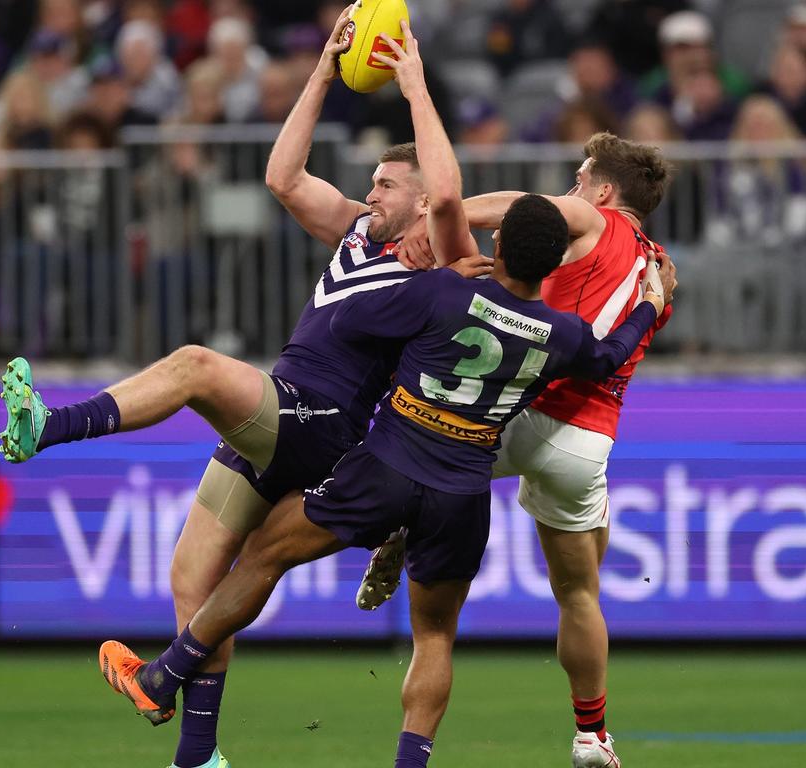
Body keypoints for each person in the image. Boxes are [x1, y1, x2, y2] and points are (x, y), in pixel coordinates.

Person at [96, 24, 675, 768]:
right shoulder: (563, 326)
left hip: (397, 461)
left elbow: (367, 310)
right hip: (503, 469)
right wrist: (649, 307)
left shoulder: (445, 289)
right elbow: (602, 357)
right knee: (484, 620)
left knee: (265, 551)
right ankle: (586, 732)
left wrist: (429, 252)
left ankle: (169, 670)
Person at [0, 8, 486, 768]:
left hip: (326, 422)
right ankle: (199, 756)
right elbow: (281, 177)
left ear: (423, 198)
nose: (374, 191)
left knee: (195, 365)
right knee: (194, 581)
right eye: (375, 182)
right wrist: (324, 70)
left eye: (389, 183)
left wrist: (416, 87)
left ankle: (45, 425)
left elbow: (453, 198)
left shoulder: (442, 257)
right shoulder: (360, 229)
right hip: (280, 417)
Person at [362, 130, 675, 768]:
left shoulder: (594, 217)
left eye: (580, 177)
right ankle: (592, 735)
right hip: (587, 442)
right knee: (580, 593)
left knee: (424, 450)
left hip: (520, 406)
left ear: (606, 189)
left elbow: (525, 210)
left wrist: (439, 214)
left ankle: (397, 526)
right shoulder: (660, 270)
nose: (572, 188)